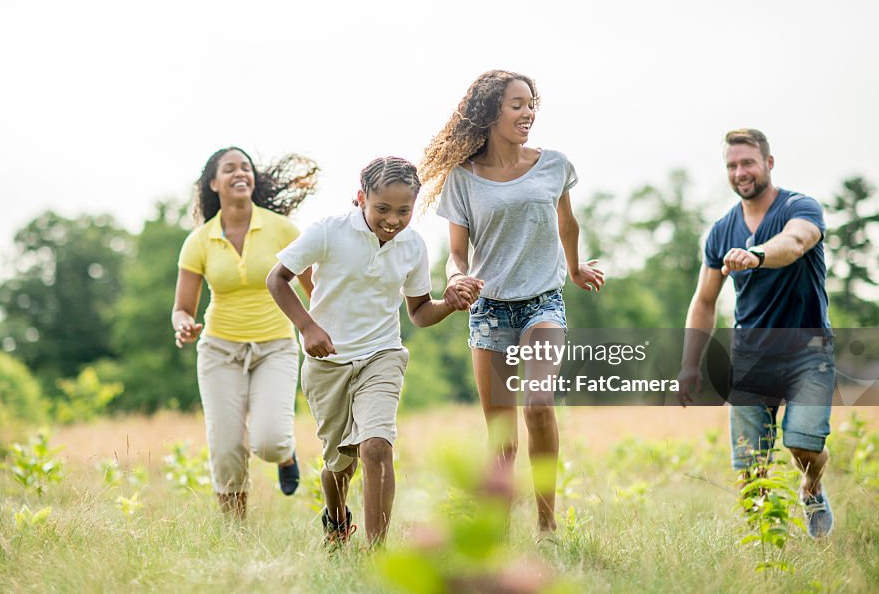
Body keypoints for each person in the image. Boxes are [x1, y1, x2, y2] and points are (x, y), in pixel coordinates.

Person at [418, 70, 605, 539]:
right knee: (500, 436)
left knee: (538, 403)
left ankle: (546, 524)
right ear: (489, 112)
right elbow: (456, 252)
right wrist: (456, 277)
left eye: (530, 104)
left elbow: (568, 224)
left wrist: (577, 268)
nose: (528, 113)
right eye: (517, 105)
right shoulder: (463, 178)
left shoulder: (554, 164)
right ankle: (497, 533)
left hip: (543, 303)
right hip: (490, 310)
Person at [267, 157, 476, 547]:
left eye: (404, 210)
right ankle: (336, 519)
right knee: (340, 464)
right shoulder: (328, 232)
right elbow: (276, 278)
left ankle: (377, 554)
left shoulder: (413, 245)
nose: (393, 220)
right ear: (362, 198)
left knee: (376, 446)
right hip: (327, 362)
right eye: (382, 209)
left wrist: (448, 302)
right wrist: (308, 326)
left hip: (382, 355)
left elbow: (417, 312)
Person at [678, 128, 836, 539]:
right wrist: (689, 365)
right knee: (751, 464)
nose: (740, 172)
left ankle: (812, 486)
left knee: (803, 445)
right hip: (750, 354)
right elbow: (704, 300)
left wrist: (757, 255)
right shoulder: (720, 231)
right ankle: (765, 547)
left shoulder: (800, 207)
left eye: (747, 162)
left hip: (808, 350)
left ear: (768, 162)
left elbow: (796, 242)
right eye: (731, 165)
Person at [172, 146, 318, 519]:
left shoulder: (281, 228)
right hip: (220, 350)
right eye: (230, 168)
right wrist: (184, 326)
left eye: (246, 168)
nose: (240, 173)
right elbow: (182, 308)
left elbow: (314, 290)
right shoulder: (199, 240)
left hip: (275, 346)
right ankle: (237, 533)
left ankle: (284, 455)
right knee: (225, 446)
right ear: (213, 183)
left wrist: (324, 327)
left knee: (269, 441)